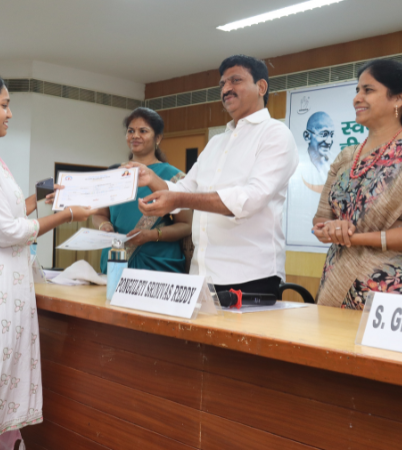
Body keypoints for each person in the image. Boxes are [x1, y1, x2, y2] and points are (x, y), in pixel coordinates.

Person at [0, 68, 95, 449]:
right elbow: (5, 232)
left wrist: (36, 202)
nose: (10, 114)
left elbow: (0, 215)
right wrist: (67, 215)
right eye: (5, 105)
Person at [125, 55, 296, 294]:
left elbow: (248, 199)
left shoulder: (276, 134)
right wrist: (150, 178)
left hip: (251, 276)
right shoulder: (217, 142)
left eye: (235, 80)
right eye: (222, 84)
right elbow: (184, 190)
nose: (226, 89)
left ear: (261, 87)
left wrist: (179, 200)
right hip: (202, 276)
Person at [314, 59, 402, 309]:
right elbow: (319, 220)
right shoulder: (346, 157)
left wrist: (355, 235)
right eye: (357, 90)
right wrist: (329, 229)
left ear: (397, 98)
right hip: (336, 287)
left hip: (388, 299)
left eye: (368, 90)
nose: (357, 98)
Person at [92, 108, 192, 273]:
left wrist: (152, 235)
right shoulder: (114, 174)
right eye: (131, 131)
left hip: (157, 263)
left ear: (157, 138)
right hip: (117, 259)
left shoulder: (174, 177)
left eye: (143, 131)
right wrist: (104, 225)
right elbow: (99, 214)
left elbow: (186, 225)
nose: (135, 136)